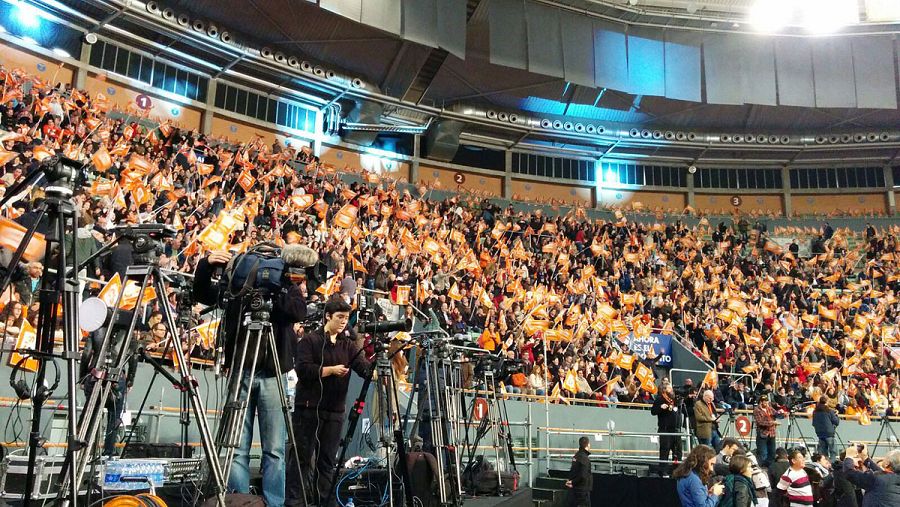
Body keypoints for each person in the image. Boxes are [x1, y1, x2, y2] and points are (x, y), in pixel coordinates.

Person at [193, 249, 307, 506]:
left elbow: (300, 312)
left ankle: (274, 503)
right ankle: (239, 501)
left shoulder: (285, 286)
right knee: (235, 448)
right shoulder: (237, 287)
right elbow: (200, 293)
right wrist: (206, 265)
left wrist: (277, 289)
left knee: (275, 450)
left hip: (273, 374)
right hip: (241, 369)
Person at [287, 297, 371, 507]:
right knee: (302, 459)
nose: (344, 322)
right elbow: (303, 369)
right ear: (327, 316)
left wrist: (378, 368)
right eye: (340, 317)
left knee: (327, 461)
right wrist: (329, 371)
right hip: (308, 409)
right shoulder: (310, 340)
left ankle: (325, 502)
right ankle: (294, 501)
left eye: (346, 318)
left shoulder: (348, 345)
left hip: (335, 411)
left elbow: (363, 368)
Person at [650, 384, 682, 476]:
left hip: (676, 430)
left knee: (677, 452)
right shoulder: (660, 399)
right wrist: (660, 407)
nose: (672, 390)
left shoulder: (675, 400)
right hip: (665, 429)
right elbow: (653, 411)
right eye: (670, 388)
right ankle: (663, 471)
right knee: (665, 450)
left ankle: (676, 470)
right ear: (664, 390)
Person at [565, 436, 593, 507]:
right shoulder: (584, 458)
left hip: (575, 489)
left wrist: (571, 481)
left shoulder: (576, 456)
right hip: (583, 489)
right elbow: (583, 475)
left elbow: (573, 470)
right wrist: (573, 482)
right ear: (587, 444)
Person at [813, 396, 840, 461]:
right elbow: (836, 421)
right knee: (833, 451)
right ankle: (832, 464)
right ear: (826, 402)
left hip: (819, 433)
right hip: (829, 433)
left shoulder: (815, 412)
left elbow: (814, 423)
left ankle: (824, 464)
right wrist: (836, 415)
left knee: (823, 452)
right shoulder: (829, 411)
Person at [754, 396, 779, 467]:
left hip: (772, 434)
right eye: (764, 401)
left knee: (772, 453)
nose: (766, 402)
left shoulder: (770, 408)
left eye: (767, 401)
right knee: (763, 454)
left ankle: (770, 469)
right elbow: (760, 422)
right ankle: (761, 468)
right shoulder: (757, 410)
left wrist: (781, 413)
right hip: (763, 434)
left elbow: (777, 414)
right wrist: (772, 423)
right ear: (761, 402)